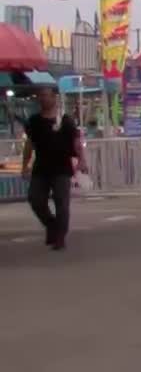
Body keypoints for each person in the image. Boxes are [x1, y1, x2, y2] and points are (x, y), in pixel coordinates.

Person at [20, 87, 86, 250]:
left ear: (54, 98)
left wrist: (82, 160)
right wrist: (25, 165)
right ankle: (52, 225)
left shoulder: (65, 120)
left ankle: (60, 236)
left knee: (61, 203)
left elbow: (76, 143)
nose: (43, 99)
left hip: (61, 168)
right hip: (41, 167)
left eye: (46, 96)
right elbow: (29, 144)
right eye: (40, 96)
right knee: (35, 199)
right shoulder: (34, 121)